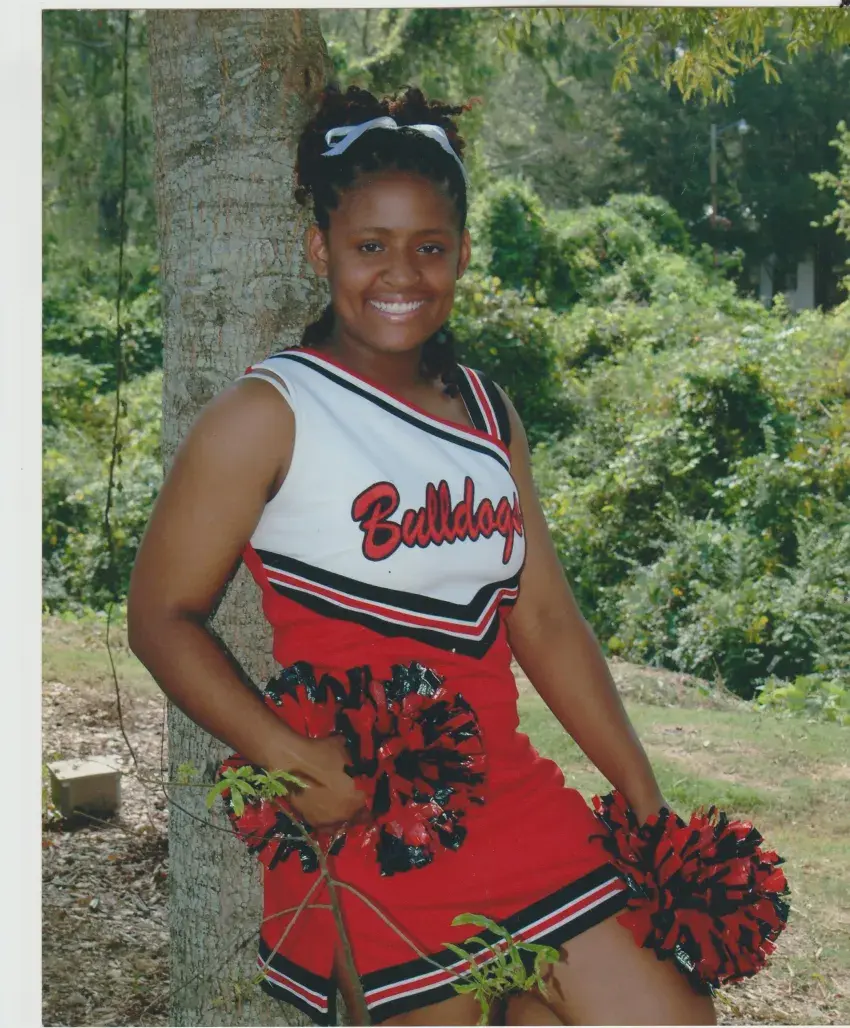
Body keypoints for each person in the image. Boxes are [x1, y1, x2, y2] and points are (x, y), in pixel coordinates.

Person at [128, 84, 716, 1027]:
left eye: (429, 248)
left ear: (462, 254)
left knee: (672, 1018)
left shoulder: (487, 412)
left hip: (519, 804)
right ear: (319, 248)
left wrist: (646, 804)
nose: (400, 274)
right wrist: (288, 757)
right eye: (370, 246)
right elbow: (160, 615)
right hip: (378, 824)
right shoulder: (268, 414)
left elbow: (544, 619)